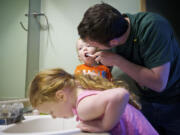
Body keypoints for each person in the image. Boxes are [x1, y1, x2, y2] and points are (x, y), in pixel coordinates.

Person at [77, 2, 180, 135]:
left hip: (173, 101)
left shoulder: (152, 27)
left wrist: (117, 61)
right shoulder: (109, 32)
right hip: (144, 101)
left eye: (93, 45)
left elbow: (159, 83)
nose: (92, 48)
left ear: (113, 43)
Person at [28, 68, 158, 135]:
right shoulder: (82, 90)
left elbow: (120, 94)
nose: (54, 117)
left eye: (51, 112)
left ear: (61, 96)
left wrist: (104, 125)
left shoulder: (83, 107)